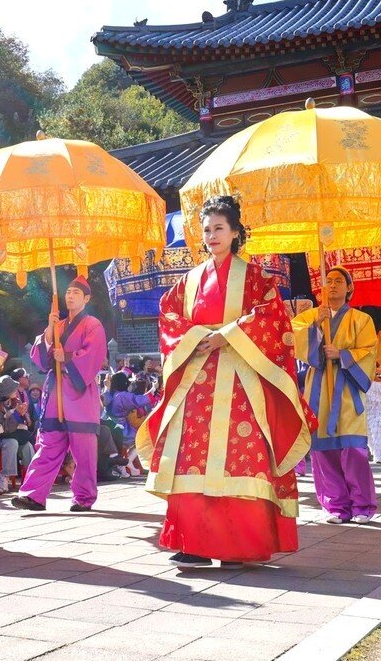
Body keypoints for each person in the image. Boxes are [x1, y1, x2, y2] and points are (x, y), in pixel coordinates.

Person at [137, 195, 310, 568]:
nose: (212, 236)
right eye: (206, 230)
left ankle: (237, 547)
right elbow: (169, 315)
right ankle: (194, 544)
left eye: (219, 228)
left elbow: (272, 316)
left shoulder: (256, 278)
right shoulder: (189, 281)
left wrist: (228, 333)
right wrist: (199, 336)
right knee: (192, 459)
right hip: (198, 382)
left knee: (240, 458)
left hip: (241, 381)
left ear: (235, 232)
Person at [11, 276, 108, 513]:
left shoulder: (93, 324)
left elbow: (94, 355)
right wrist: (48, 331)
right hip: (55, 393)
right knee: (48, 445)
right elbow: (41, 361)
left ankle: (83, 497)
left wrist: (67, 356)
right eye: (69, 292)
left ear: (86, 299)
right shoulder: (58, 325)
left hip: (80, 393)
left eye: (76, 293)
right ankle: (33, 495)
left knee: (84, 451)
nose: (70, 296)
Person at [290, 266, 379, 524]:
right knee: (323, 451)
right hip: (318, 388)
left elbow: (370, 351)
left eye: (339, 281)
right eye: (328, 280)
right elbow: (293, 338)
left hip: (348, 389)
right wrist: (316, 327)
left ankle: (362, 506)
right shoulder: (311, 316)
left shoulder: (362, 320)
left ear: (349, 287)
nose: (332, 285)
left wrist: (342, 354)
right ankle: (336, 506)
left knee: (353, 449)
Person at [0, 375, 33, 493]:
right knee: (11, 443)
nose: (16, 391)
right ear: (6, 392)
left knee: (27, 446)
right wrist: (15, 415)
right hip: (2, 438)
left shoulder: (16, 402)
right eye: (13, 389)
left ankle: (33, 476)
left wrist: (24, 415)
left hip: (18, 435)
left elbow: (28, 423)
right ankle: (4, 476)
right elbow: (3, 428)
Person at [107, 371, 153, 477]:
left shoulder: (111, 394)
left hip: (112, 425)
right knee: (141, 440)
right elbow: (136, 400)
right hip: (122, 428)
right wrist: (152, 392)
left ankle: (125, 466)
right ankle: (127, 462)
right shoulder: (121, 396)